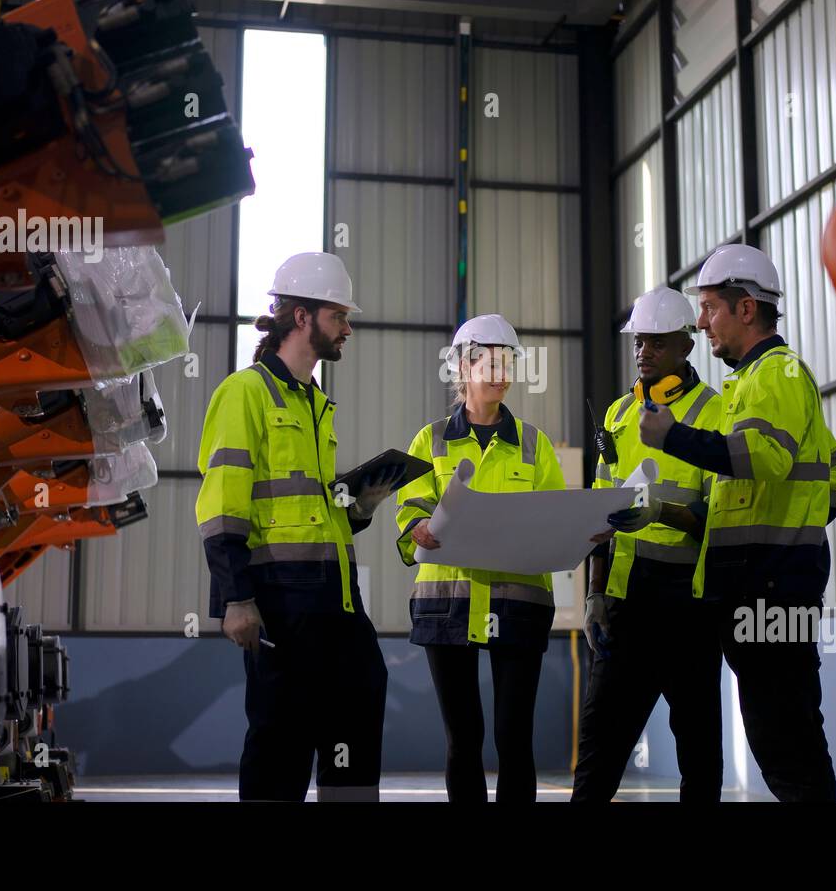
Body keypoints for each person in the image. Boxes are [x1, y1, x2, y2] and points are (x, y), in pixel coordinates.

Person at [639, 244, 836, 802]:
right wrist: (799, 520)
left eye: (709, 308)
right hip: (766, 583)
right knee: (788, 738)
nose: (702, 322)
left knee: (786, 743)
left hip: (771, 588)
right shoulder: (755, 384)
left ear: (746, 309)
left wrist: (673, 438)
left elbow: (763, 458)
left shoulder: (774, 376)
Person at [195, 251, 404, 801]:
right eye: (340, 316)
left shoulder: (316, 404)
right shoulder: (245, 393)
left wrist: (360, 509)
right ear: (303, 317)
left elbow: (309, 511)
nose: (348, 328)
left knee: (360, 707)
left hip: (336, 600)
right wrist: (236, 599)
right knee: (281, 739)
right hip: (279, 603)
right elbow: (222, 505)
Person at [393, 314, 566, 802]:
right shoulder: (429, 442)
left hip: (518, 605)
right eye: (489, 362)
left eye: (508, 362)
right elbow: (410, 508)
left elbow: (554, 515)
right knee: (463, 739)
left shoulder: (535, 445)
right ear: (461, 367)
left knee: (514, 741)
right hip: (447, 604)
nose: (500, 372)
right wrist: (417, 530)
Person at [570, 287, 724, 802]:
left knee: (699, 758)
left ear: (686, 345)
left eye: (656, 343)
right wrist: (593, 595)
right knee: (597, 757)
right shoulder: (616, 417)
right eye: (639, 342)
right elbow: (597, 515)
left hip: (691, 607)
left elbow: (718, 521)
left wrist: (664, 511)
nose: (643, 353)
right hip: (624, 607)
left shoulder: (715, 414)